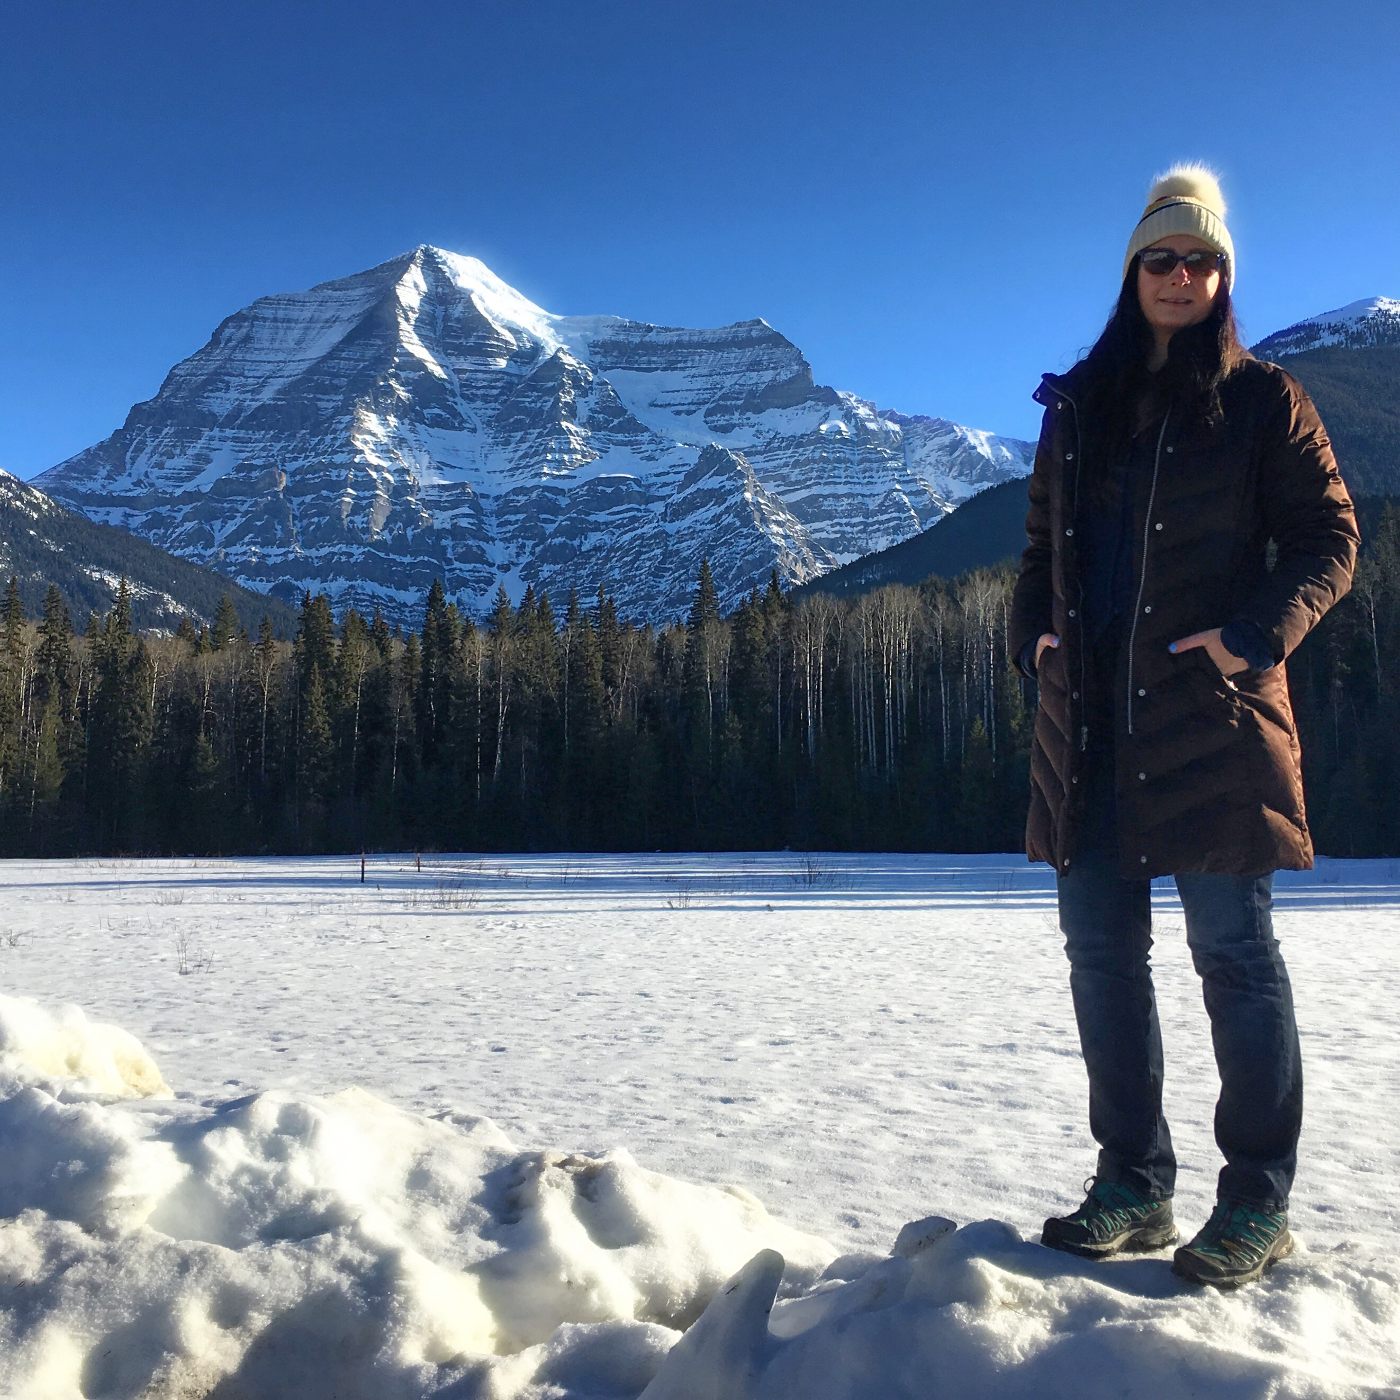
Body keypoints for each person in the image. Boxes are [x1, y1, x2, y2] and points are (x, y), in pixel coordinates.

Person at [1008, 164, 1358, 1288]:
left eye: (1201, 260)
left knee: (1233, 958)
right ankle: (1131, 1181)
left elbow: (1328, 541)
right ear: (1131, 270)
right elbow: (1032, 562)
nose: (1180, 276)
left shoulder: (1264, 401)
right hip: (1093, 730)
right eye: (1161, 257)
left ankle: (1255, 1199)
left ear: (1222, 277)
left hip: (1212, 722)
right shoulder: (1079, 407)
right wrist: (1034, 641)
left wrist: (1250, 635)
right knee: (1101, 960)